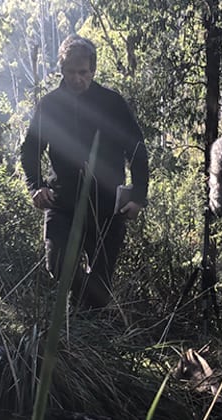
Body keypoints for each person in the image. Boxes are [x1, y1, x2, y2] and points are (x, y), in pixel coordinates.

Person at [20, 35, 149, 309]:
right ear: (61, 70)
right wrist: (36, 186)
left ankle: (85, 339)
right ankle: (73, 324)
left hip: (106, 206)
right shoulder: (50, 106)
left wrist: (138, 196)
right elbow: (30, 150)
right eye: (70, 72)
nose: (77, 79)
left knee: (99, 285)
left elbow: (137, 150)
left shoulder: (111, 103)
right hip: (63, 201)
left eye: (83, 72)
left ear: (93, 70)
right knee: (58, 265)